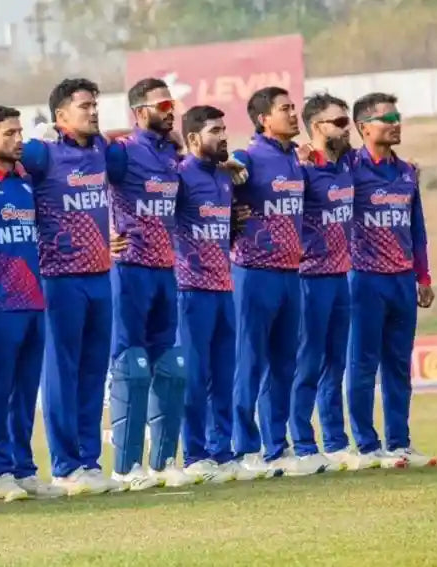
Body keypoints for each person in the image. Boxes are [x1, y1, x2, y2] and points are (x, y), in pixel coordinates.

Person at [17, 79, 116, 496]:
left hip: (101, 277)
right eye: (84, 106)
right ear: (60, 116)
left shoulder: (101, 150)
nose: (93, 111)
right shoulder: (43, 152)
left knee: (94, 373)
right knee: (62, 372)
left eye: (95, 104)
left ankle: (90, 461)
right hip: (59, 279)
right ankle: (65, 465)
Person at [0, 105, 65, 502]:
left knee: (24, 393)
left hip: (34, 301)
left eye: (21, 132)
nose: (19, 139)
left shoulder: (25, 181)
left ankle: (24, 470)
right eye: (9, 133)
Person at [105, 78, 193, 489]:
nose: (171, 110)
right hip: (130, 270)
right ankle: (125, 468)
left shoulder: (173, 155)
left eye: (173, 103)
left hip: (166, 270)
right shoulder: (122, 152)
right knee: (132, 367)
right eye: (163, 104)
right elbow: (84, 169)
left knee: (172, 368)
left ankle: (162, 463)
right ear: (141, 112)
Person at [346, 92, 437, 468]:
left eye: (398, 116)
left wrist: (423, 275)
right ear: (364, 127)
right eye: (388, 118)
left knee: (398, 365)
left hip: (402, 281)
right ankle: (367, 447)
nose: (397, 123)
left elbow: (417, 229)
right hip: (364, 280)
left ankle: (399, 442)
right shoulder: (349, 169)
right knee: (363, 364)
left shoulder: (406, 172)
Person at [229, 86, 305, 477]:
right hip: (253, 273)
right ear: (264, 119)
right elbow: (227, 170)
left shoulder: (295, 159)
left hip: (291, 275)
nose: (294, 114)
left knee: (284, 365)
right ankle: (244, 448)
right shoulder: (251, 157)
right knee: (249, 362)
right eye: (285, 109)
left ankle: (278, 447)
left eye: (294, 107)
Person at [172, 105, 247, 484]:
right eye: (214, 130)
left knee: (224, 375)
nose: (223, 135)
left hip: (223, 288)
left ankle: (223, 452)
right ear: (192, 139)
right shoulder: (180, 177)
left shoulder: (224, 178)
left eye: (224, 128)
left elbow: (223, 231)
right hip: (190, 290)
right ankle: (195, 453)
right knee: (195, 377)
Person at [290, 93, 360, 473]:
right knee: (307, 363)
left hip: (340, 278)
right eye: (339, 122)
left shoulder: (347, 163)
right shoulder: (301, 169)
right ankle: (302, 443)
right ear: (317, 128)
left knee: (336, 364)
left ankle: (335, 443)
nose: (346, 128)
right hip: (309, 278)